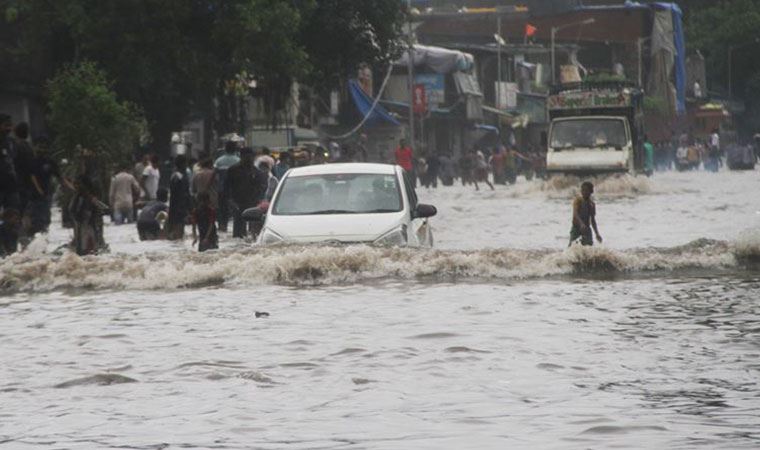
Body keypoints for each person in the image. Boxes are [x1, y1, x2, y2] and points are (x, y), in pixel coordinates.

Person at [225, 147, 266, 238]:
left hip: (253, 202)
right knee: (239, 231)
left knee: (253, 231)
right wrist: (230, 201)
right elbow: (226, 187)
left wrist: (260, 201)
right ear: (241, 156)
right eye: (246, 157)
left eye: (251, 157)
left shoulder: (257, 172)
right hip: (238, 203)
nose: (249, 159)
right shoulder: (233, 170)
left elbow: (262, 188)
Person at [0, 114, 19, 255]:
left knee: (12, 219)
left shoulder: (11, 142)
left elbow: (16, 164)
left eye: (10, 125)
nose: (9, 128)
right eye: (6, 125)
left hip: (11, 187)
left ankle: (11, 251)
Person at [214, 141, 240, 232]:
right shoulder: (238, 161)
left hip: (221, 190)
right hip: (235, 190)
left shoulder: (219, 161)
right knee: (236, 210)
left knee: (222, 209)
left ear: (225, 149)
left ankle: (222, 227)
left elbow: (214, 176)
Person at [569, 181, 602, 247]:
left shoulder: (592, 204)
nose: (584, 192)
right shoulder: (578, 200)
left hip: (586, 229)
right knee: (572, 247)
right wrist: (581, 224)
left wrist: (597, 233)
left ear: (591, 191)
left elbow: (593, 220)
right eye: (583, 190)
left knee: (589, 248)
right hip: (576, 228)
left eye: (586, 190)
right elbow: (575, 214)